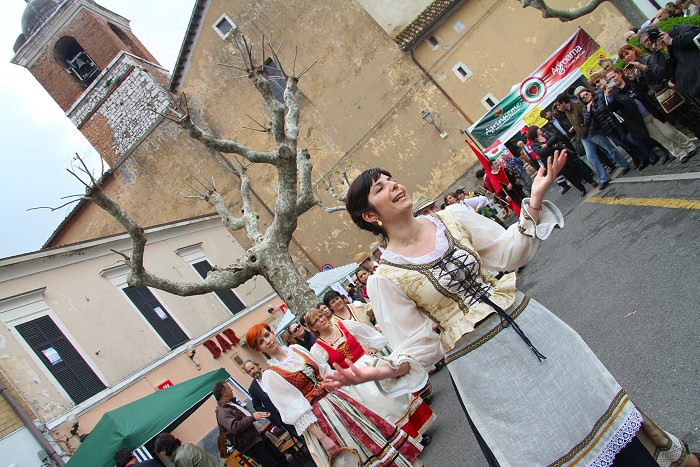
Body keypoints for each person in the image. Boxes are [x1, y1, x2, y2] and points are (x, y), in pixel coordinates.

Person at [332, 165, 698, 467]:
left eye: (391, 179)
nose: (394, 185)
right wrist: (381, 371)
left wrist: (534, 201)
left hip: (530, 323)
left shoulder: (453, 219)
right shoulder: (385, 278)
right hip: (482, 368)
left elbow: (509, 254)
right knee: (544, 437)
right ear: (371, 216)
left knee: (591, 400)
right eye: (381, 188)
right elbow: (419, 346)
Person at [246, 323, 424, 467]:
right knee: (354, 451)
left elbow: (325, 372)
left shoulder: (297, 349)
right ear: (258, 349)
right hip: (319, 419)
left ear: (272, 333)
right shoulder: (271, 375)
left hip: (339, 400)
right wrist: (323, 438)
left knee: (373, 436)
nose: (267, 341)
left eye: (267, 335)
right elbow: (295, 411)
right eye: (261, 341)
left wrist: (348, 391)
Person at [304, 307, 435, 443]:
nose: (321, 320)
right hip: (356, 380)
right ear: (313, 328)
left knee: (398, 395)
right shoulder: (317, 349)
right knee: (384, 407)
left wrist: (373, 347)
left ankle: (420, 429)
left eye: (320, 316)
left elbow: (371, 335)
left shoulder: (345, 325)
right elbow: (325, 373)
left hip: (370, 364)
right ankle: (411, 440)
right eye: (316, 321)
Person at [605, 67, 697, 163]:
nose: (612, 80)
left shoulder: (631, 82)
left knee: (670, 132)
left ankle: (689, 146)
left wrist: (635, 81)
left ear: (620, 74)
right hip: (641, 120)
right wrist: (609, 96)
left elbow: (644, 90)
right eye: (610, 79)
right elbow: (612, 108)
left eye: (613, 76)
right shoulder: (614, 93)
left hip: (652, 112)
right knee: (662, 139)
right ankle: (680, 154)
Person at [555, 92, 630, 190]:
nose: (558, 107)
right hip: (584, 137)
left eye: (559, 105)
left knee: (609, 149)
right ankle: (604, 178)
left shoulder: (578, 106)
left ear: (564, 102)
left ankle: (624, 165)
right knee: (591, 157)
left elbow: (588, 117)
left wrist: (590, 130)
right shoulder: (566, 112)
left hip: (592, 133)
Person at [213, 381, 290, 466]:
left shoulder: (230, 404)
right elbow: (235, 427)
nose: (231, 390)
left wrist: (252, 416)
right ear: (223, 393)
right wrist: (252, 418)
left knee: (280, 458)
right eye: (229, 388)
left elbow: (242, 418)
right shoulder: (222, 412)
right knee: (271, 464)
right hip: (251, 444)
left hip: (257, 437)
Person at [527, 125, 595, 197]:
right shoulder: (534, 145)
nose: (539, 129)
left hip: (563, 154)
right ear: (535, 132)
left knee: (577, 168)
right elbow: (541, 153)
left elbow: (555, 137)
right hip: (555, 161)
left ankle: (591, 181)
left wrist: (546, 145)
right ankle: (581, 189)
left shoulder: (546, 134)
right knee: (569, 175)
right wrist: (553, 146)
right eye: (537, 129)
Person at [154, 433, 222, 467]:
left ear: (164, 449)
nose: (164, 456)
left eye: (161, 452)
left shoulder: (180, 458)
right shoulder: (187, 446)